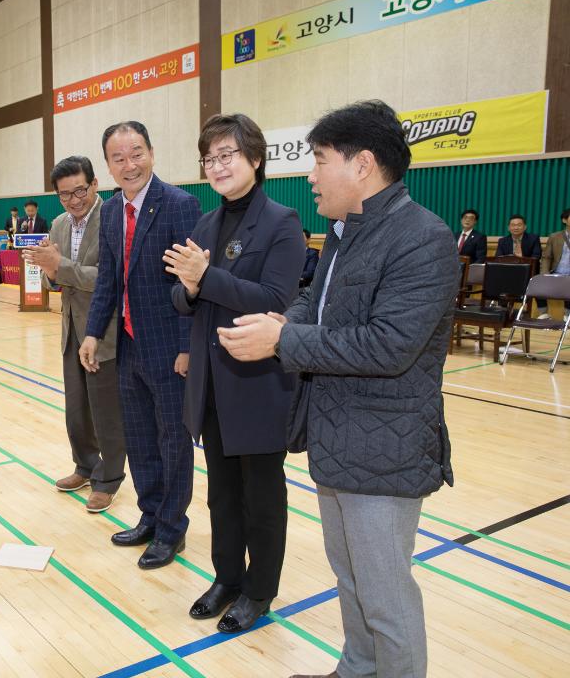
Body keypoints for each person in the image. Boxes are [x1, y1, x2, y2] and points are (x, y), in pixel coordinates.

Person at [217, 100, 459, 678]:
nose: (310, 175)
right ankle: (355, 669)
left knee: (386, 597)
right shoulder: (345, 232)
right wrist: (283, 323)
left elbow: (389, 345)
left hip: (387, 447)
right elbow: (312, 301)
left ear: (363, 165)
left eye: (319, 160)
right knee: (350, 578)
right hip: (339, 438)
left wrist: (283, 343)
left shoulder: (423, 238)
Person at [164, 114, 304, 632]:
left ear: (256, 159)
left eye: (227, 155)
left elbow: (274, 300)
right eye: (210, 158)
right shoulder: (204, 223)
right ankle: (226, 577)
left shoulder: (283, 221)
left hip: (257, 383)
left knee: (261, 496)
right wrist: (193, 287)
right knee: (221, 492)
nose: (217, 166)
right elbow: (181, 296)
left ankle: (259, 590)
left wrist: (207, 279)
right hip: (211, 384)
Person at [81, 121, 201, 569]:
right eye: (118, 158)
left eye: (136, 154)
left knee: (173, 440)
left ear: (151, 152)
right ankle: (150, 516)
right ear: (108, 165)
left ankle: (172, 529)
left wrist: (189, 345)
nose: (129, 165)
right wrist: (93, 332)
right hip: (128, 346)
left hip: (170, 348)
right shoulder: (110, 212)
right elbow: (110, 279)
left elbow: (193, 285)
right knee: (140, 438)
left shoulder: (181, 205)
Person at [25, 156, 126, 513]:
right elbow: (57, 281)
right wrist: (49, 269)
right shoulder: (57, 225)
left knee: (105, 409)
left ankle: (109, 478)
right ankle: (85, 466)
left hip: (104, 331)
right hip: (70, 328)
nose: (74, 200)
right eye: (65, 194)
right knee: (77, 409)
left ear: (95, 184)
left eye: (80, 190)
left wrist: (60, 267)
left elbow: (109, 279)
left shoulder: (113, 218)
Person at [538, 208, 570, 318]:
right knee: (537, 282)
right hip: (556, 273)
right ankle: (544, 314)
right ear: (564, 220)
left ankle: (567, 315)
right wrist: (544, 274)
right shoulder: (555, 237)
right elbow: (546, 257)